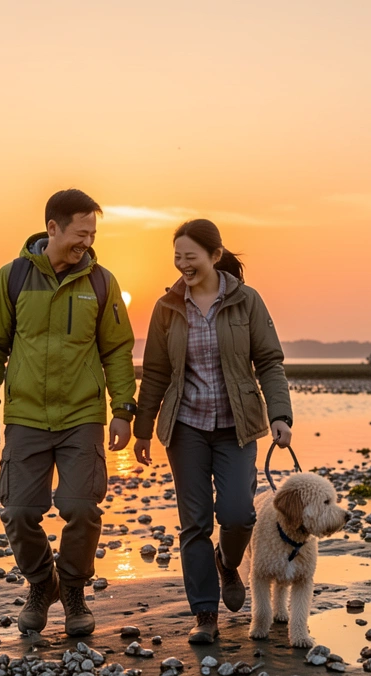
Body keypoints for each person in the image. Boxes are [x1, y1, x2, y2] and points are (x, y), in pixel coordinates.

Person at [0, 189, 137, 637]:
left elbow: (118, 350)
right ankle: (43, 585)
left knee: (81, 507)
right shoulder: (12, 278)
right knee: (19, 511)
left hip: (83, 415)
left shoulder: (101, 283)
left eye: (93, 234)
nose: (87, 242)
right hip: (25, 416)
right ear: (53, 229)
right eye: (80, 233)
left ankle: (75, 594)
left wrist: (123, 410)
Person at [132, 219, 292, 644]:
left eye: (192, 257)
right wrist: (143, 428)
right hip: (185, 428)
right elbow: (155, 374)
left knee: (239, 513)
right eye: (177, 258)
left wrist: (280, 416)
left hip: (237, 428)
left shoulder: (246, 301)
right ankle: (204, 614)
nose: (183, 265)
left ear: (214, 256)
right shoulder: (167, 307)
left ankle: (228, 560)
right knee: (194, 523)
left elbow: (270, 362)